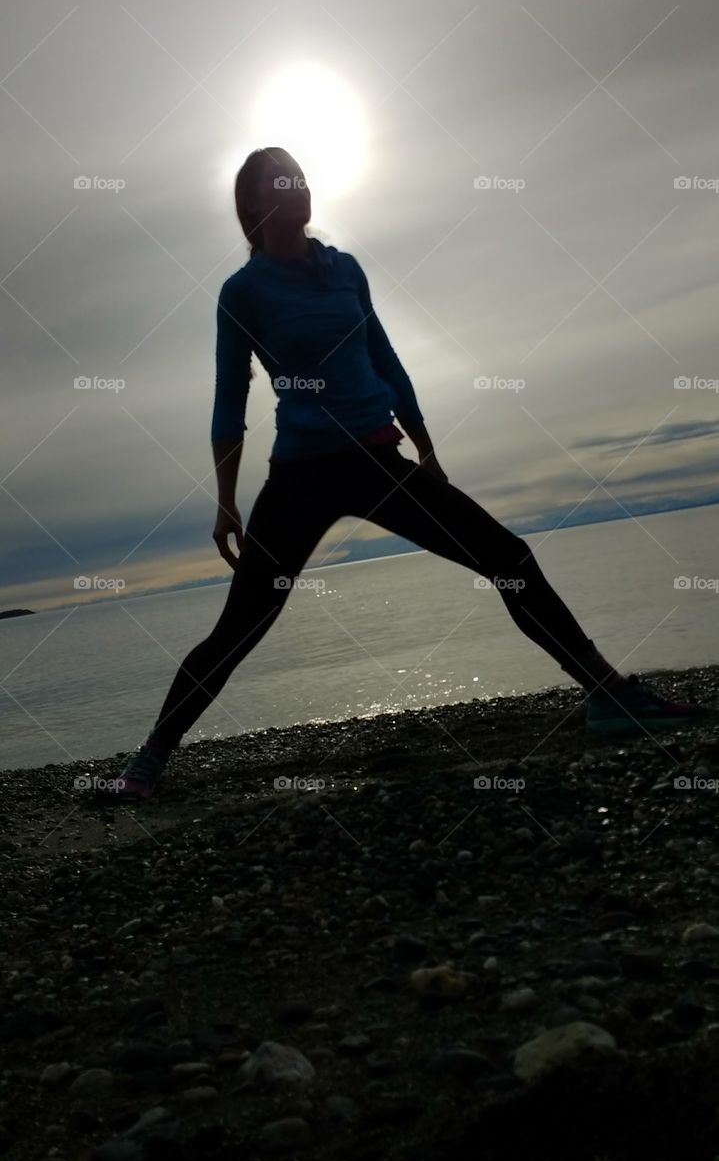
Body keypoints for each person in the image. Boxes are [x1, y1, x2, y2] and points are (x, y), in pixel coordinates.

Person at [111, 146, 708, 798]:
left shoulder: (344, 271)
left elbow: (385, 360)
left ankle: (606, 695)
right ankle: (149, 762)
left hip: (377, 460)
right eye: (281, 180)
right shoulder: (243, 293)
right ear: (253, 203)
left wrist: (424, 447)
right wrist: (225, 501)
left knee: (508, 557)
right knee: (243, 623)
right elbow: (231, 396)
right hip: (302, 475)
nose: (299, 186)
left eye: (303, 175)